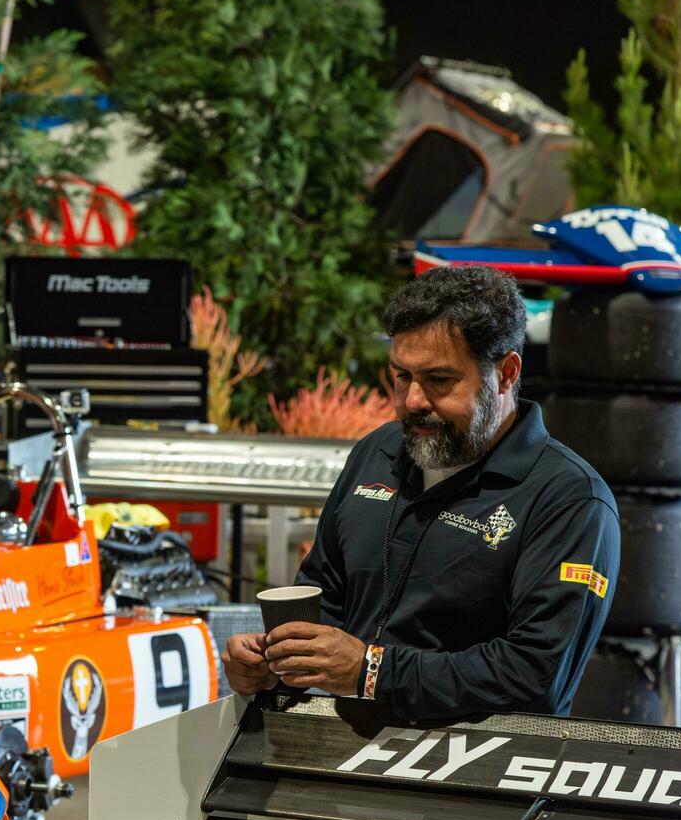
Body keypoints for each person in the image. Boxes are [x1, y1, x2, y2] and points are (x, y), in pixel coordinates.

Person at [223, 266, 619, 721]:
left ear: (506, 373)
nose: (413, 400)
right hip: (337, 763)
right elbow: (325, 596)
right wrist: (274, 661)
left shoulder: (569, 499)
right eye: (401, 377)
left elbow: (536, 677)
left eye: (439, 380)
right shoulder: (378, 452)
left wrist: (371, 673)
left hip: (478, 777)